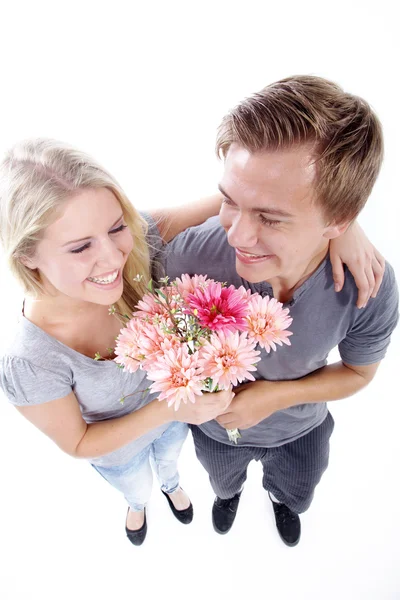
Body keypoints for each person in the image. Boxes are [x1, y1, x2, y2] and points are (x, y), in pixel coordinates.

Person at [0, 135, 385, 547]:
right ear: (26, 255)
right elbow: (78, 442)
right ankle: (140, 504)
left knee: (170, 463)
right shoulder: (31, 362)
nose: (112, 258)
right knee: (137, 485)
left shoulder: (137, 247)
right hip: (123, 449)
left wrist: (340, 224)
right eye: (79, 247)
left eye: (117, 227)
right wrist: (172, 408)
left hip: (178, 428)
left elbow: (255, 203)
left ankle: (176, 485)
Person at [164, 75, 399, 547]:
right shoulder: (186, 258)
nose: (236, 236)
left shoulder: (369, 286)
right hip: (215, 430)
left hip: (301, 428)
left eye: (270, 218)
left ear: (340, 220)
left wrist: (271, 398)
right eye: (230, 201)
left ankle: (282, 502)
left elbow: (358, 374)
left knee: (298, 489)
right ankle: (228, 497)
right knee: (222, 480)